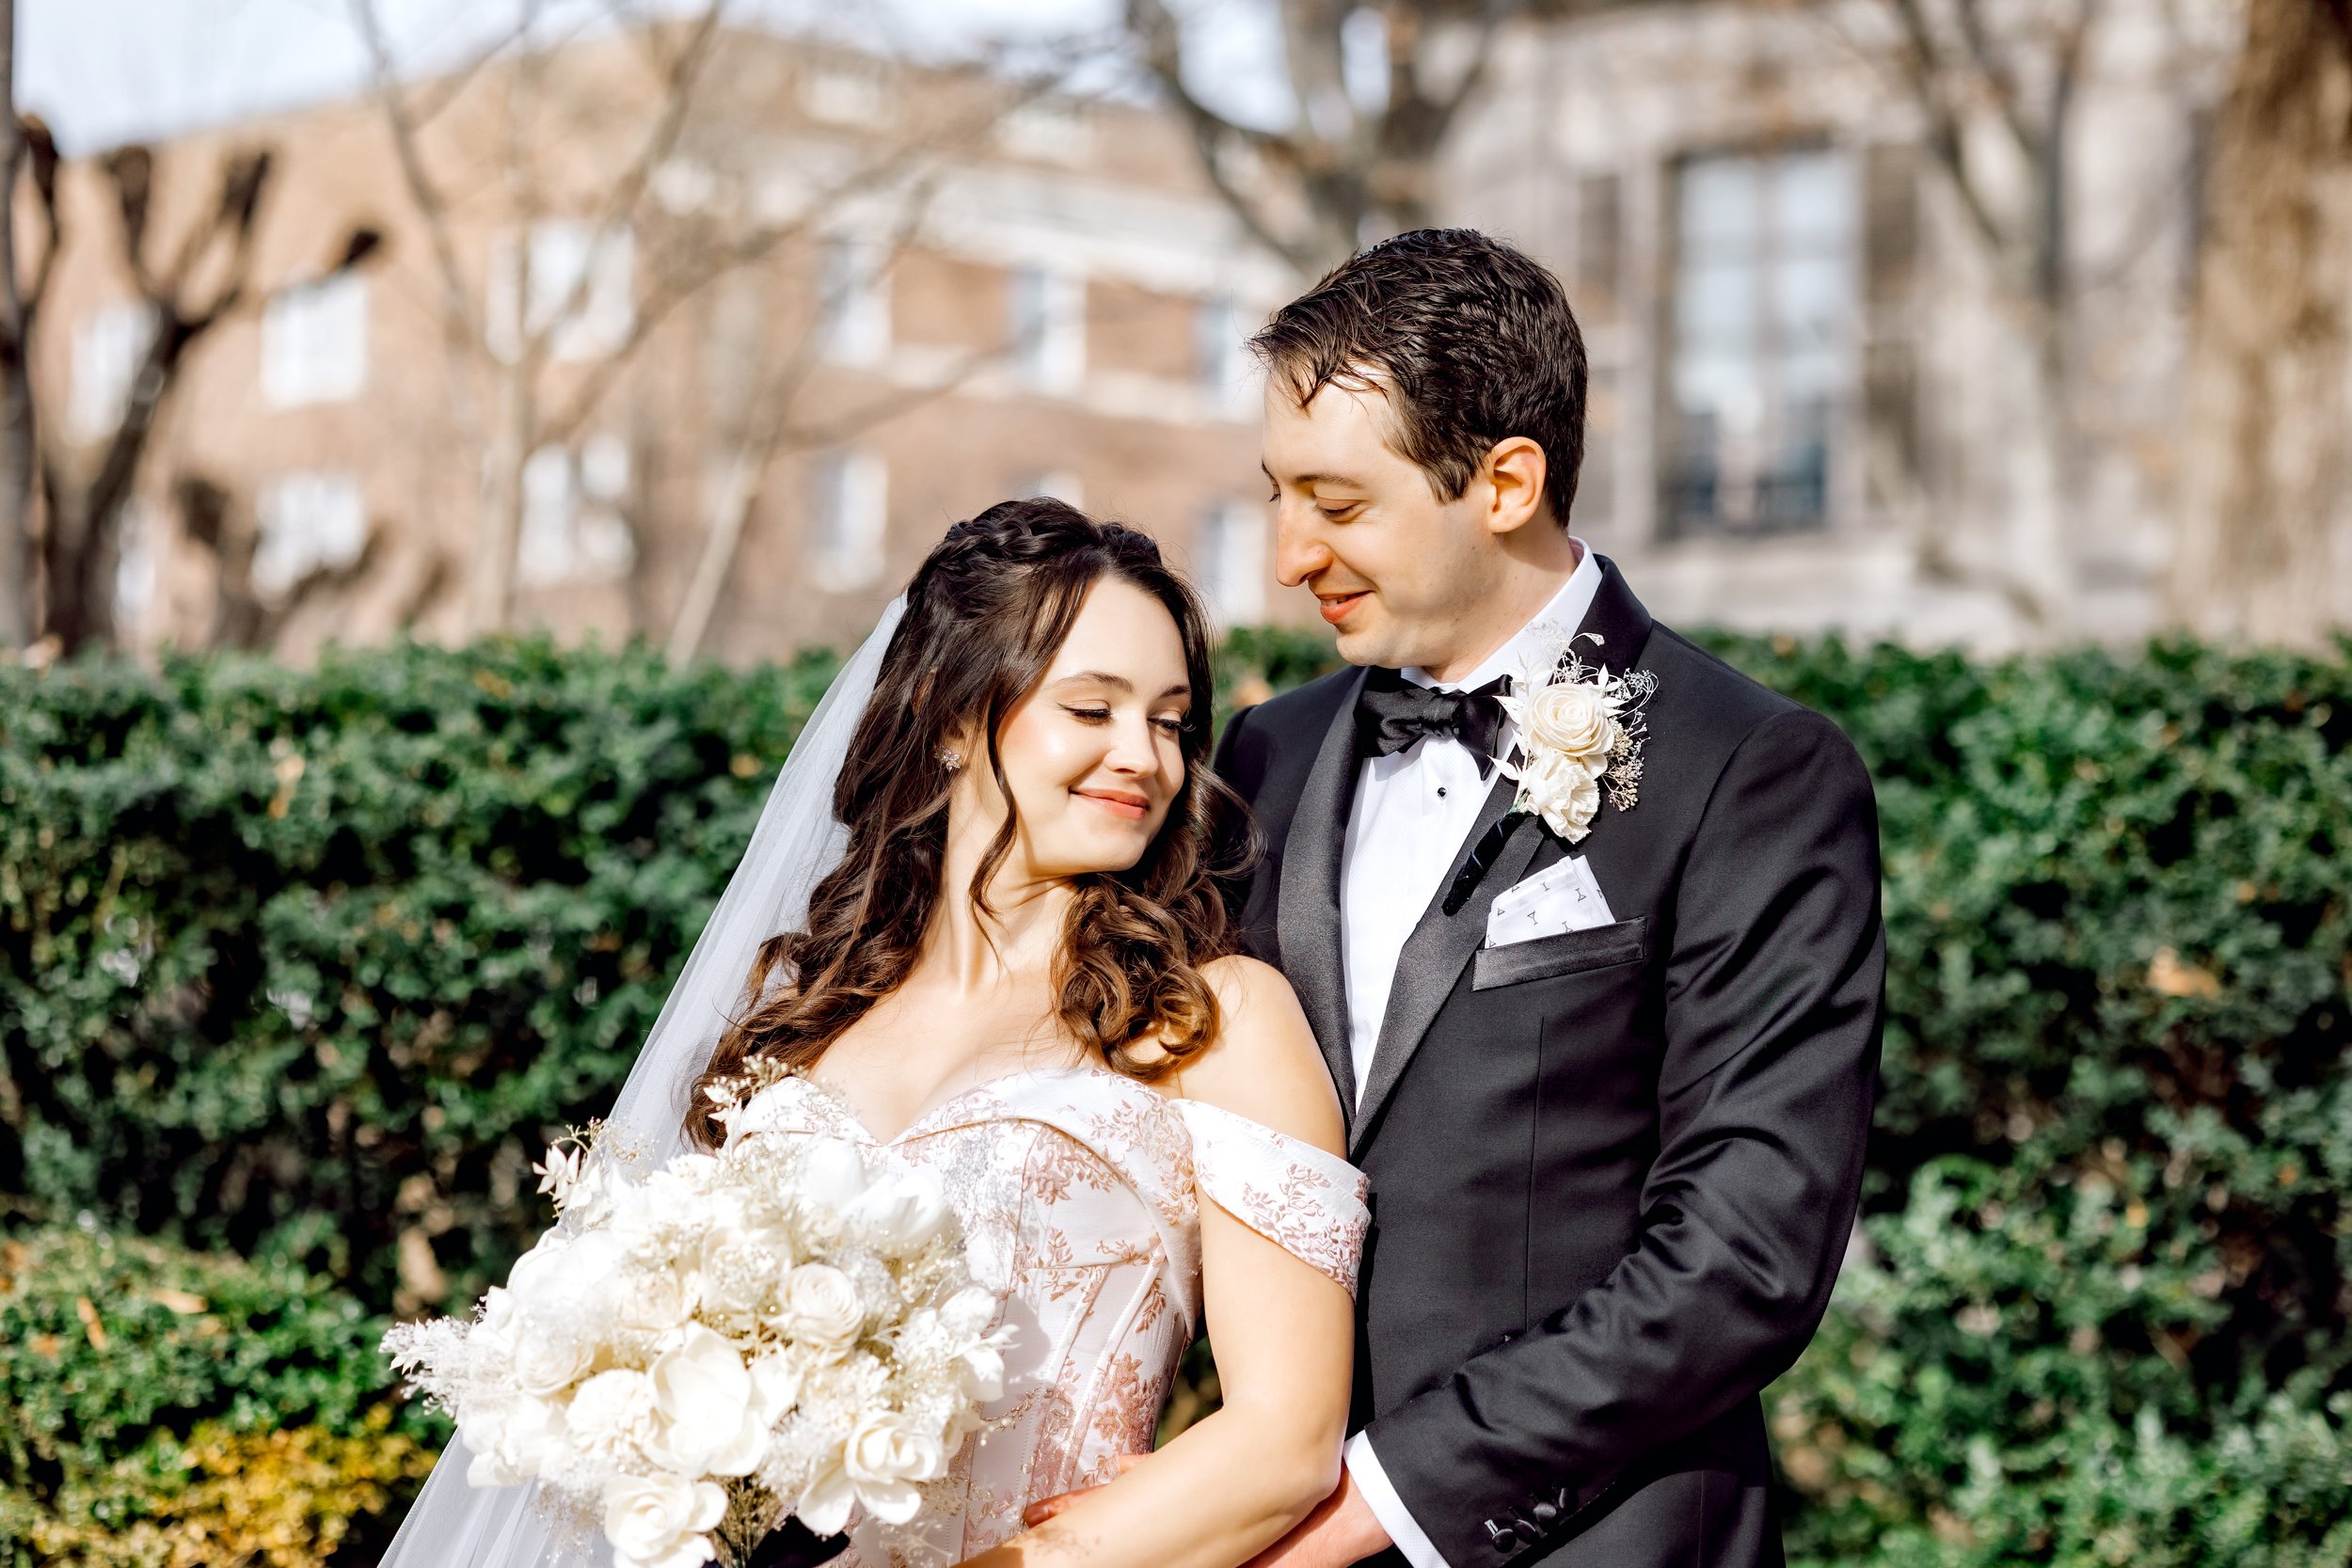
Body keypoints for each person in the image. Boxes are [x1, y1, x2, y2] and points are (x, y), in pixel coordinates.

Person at [1043, 230, 1886, 1568]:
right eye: (1276, 494)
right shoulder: (1268, 754)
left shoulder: (1751, 771)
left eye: (1336, 501)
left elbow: (1744, 1252)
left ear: (1504, 481)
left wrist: (1381, 1494)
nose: (1285, 556)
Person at [380, 499, 1367, 1568]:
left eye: (1171, 721)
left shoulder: (1212, 1018)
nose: (1143, 755)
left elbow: (1284, 1443)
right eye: (1090, 708)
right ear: (951, 716)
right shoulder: (807, 1014)